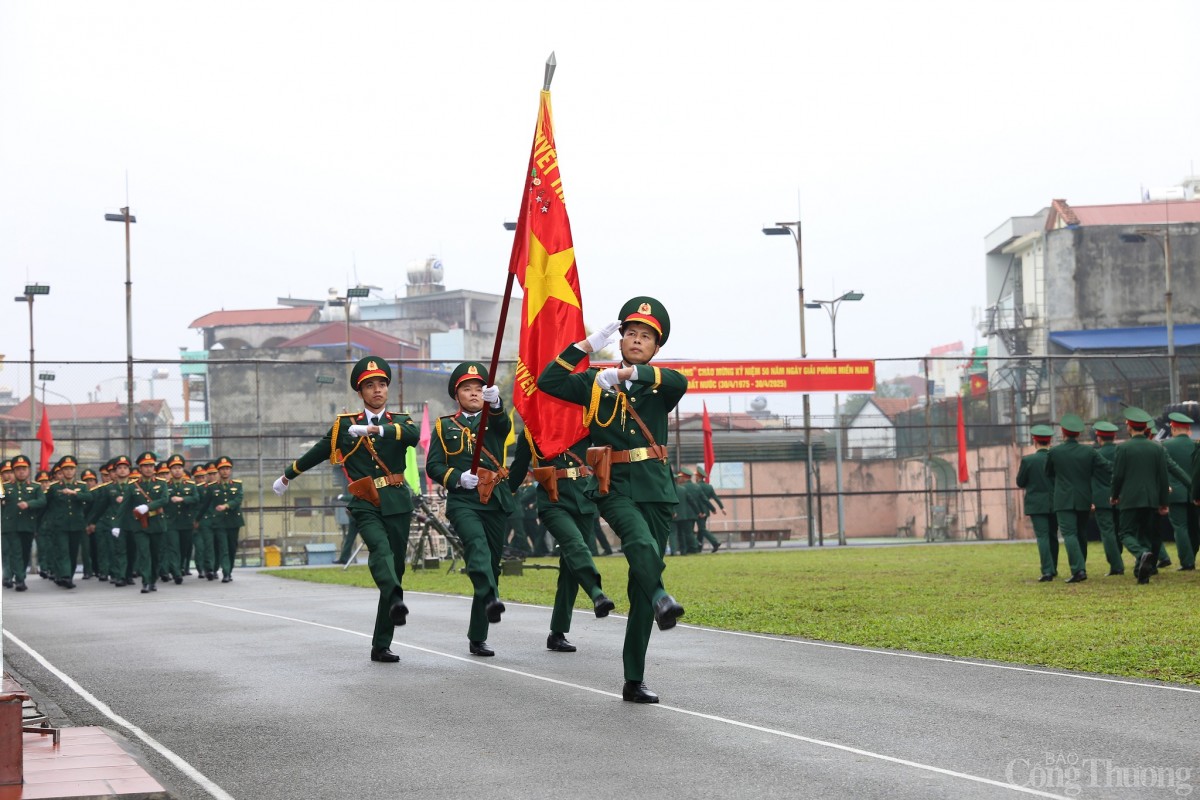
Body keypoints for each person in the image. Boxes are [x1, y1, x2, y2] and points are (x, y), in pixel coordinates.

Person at [538, 296, 687, 704]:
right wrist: (586, 347)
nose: (637, 340)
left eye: (646, 337)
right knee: (638, 543)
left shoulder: (657, 384)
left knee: (643, 577)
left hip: (655, 488)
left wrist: (626, 375)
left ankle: (633, 678)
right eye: (631, 334)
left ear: (656, 348)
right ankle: (662, 597)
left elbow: (679, 382)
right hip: (613, 485)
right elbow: (549, 381)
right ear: (619, 340)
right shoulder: (593, 384)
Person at [274, 356, 420, 663]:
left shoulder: (401, 420)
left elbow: (412, 436)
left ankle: (381, 644)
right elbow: (319, 450)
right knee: (379, 550)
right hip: (365, 501)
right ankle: (395, 598)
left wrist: (375, 431)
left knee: (395, 568)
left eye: (381, 384)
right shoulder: (344, 425)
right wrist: (288, 475)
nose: (377, 390)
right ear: (360, 391)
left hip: (396, 501)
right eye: (370, 385)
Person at [425, 361, 514, 657]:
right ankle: (490, 596)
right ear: (457, 394)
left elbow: (504, 425)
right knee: (477, 548)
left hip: (495, 499)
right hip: (464, 501)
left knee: (493, 565)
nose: (474, 393)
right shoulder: (444, 426)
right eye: (467, 388)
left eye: (479, 388)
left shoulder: (496, 419)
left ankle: (478, 635)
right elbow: (434, 465)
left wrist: (497, 402)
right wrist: (457, 478)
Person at [508, 430, 616, 653]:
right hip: (552, 499)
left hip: (584, 497)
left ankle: (557, 633)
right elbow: (518, 470)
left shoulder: (582, 421)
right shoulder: (530, 431)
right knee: (575, 544)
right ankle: (597, 593)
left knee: (570, 568)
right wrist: (497, 493)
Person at [1045, 413, 1111, 583]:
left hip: (1063, 499)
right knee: (1081, 533)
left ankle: (1078, 570)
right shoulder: (1089, 451)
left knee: (1069, 534)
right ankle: (1081, 566)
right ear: (1079, 433)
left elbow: (1049, 473)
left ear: (1062, 431)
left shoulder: (1054, 452)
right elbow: (1107, 467)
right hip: (1084, 497)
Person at [1111, 407, 1170, 584]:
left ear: (1129, 427)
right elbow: (1163, 477)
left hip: (1130, 499)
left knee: (1125, 533)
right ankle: (1141, 571)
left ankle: (1141, 555)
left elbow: (1118, 475)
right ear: (1146, 428)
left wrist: (1114, 495)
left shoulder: (1123, 449)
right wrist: (1163, 502)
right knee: (1144, 534)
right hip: (1151, 499)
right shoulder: (1157, 448)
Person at [1015, 425, 1059, 581]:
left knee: (1042, 536)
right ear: (1050, 441)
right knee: (1053, 535)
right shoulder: (1056, 458)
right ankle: (1053, 567)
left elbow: (1020, 482)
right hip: (1056, 502)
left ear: (1035, 441)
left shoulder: (1028, 460)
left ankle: (1047, 570)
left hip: (1036, 504)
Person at [44, 456, 91, 589]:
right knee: (63, 550)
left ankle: (68, 576)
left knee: (73, 552)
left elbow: (89, 498)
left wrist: (75, 494)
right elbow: (46, 504)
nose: (69, 471)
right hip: (60, 525)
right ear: (62, 471)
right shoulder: (53, 487)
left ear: (75, 470)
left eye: (71, 469)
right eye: (66, 469)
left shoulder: (81, 486)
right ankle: (64, 575)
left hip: (76, 524)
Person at [2, 455, 45, 591]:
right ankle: (20, 580)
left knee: (25, 552)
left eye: (24, 469)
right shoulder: (4, 487)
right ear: (14, 471)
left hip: (27, 525)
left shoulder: (36, 487)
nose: (21, 471)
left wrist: (29, 504)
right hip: (11, 526)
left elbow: (42, 501)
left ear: (28, 470)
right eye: (18, 469)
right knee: (16, 552)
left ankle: (19, 575)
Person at [131, 451, 171, 593]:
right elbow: (125, 507)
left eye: (150, 465)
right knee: (144, 553)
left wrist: (147, 507)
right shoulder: (133, 485)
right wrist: (117, 525)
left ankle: (153, 579)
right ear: (140, 468)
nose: (148, 468)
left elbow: (164, 500)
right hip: (140, 525)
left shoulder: (161, 484)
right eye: (145, 466)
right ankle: (145, 581)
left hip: (157, 524)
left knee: (156, 555)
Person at [1161, 412, 1197, 571]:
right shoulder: (1196, 445)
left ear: (1173, 429)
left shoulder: (1165, 446)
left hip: (1175, 493)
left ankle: (1187, 561)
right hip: (1195, 492)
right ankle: (1193, 555)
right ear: (1188, 429)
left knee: (1180, 527)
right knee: (1194, 527)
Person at [1090, 421, 1124, 576]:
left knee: (1108, 532)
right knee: (1120, 530)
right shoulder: (1122, 452)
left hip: (1102, 498)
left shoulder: (1096, 455)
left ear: (1098, 438)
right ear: (1115, 436)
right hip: (1122, 497)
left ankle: (1116, 566)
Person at [162, 454, 199, 584]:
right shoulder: (165, 485)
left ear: (183, 470)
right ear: (170, 471)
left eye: (179, 467)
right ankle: (176, 573)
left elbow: (196, 499)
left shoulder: (190, 485)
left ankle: (180, 566)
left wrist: (183, 499)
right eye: (174, 468)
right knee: (173, 547)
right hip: (170, 521)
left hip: (186, 521)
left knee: (184, 547)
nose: (177, 470)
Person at [210, 456, 244, 583]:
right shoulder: (212, 486)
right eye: (222, 469)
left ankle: (229, 570)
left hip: (234, 520)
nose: (225, 471)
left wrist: (226, 506)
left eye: (227, 468)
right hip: (219, 521)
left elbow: (238, 499)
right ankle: (225, 572)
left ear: (230, 470)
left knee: (231, 547)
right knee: (223, 547)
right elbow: (207, 503)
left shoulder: (237, 485)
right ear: (218, 471)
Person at [693, 466, 724, 553]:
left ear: (699, 477)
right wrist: (722, 508)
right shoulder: (709, 487)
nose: (695, 478)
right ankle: (699, 548)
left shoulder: (696, 487)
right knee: (701, 529)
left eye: (696, 476)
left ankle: (715, 542)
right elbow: (715, 498)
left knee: (702, 529)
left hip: (698, 511)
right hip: (706, 511)